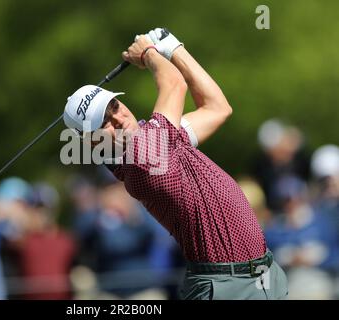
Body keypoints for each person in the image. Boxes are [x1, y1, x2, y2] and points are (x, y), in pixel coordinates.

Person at [62, 28, 288, 299]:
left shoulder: (161, 142)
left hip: (265, 274)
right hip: (227, 286)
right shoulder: (143, 158)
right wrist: (148, 53)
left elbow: (217, 108)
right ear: (92, 142)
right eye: (104, 123)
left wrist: (173, 47)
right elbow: (174, 84)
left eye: (115, 106)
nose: (119, 118)